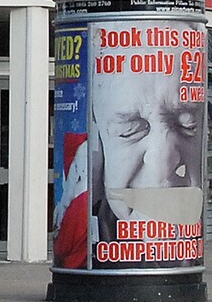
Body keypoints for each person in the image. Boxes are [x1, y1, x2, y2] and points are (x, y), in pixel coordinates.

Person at [53, 55, 203, 271]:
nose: (161, 163)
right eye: (130, 130)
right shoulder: (80, 227)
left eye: (188, 125)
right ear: (100, 142)